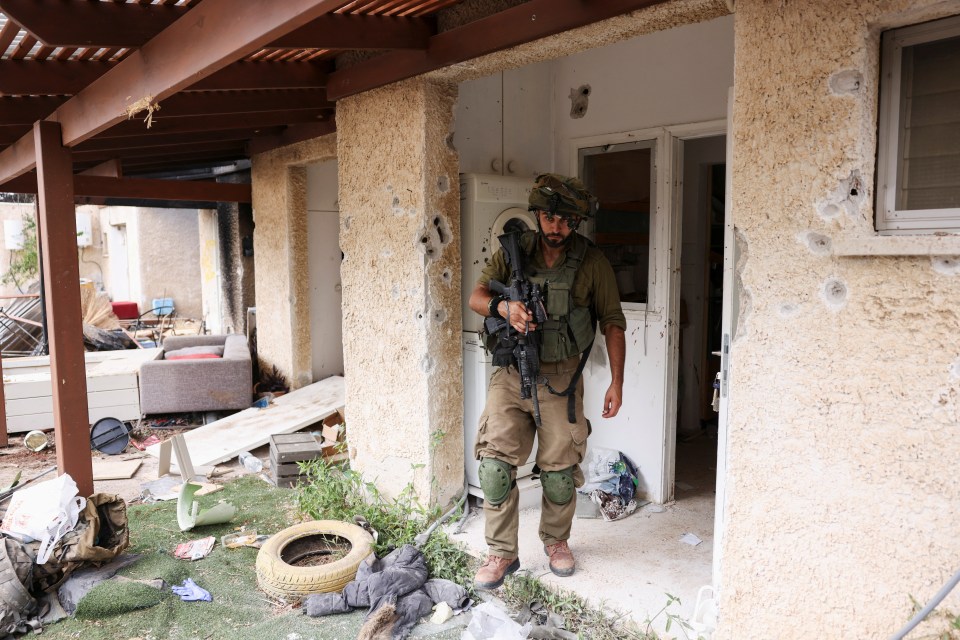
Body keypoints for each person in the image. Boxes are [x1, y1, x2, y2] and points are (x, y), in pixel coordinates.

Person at [468, 173, 626, 590]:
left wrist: (616, 383)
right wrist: (505, 308)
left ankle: (557, 542)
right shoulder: (513, 252)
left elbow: (612, 323)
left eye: (564, 220)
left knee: (559, 472)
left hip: (560, 377)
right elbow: (476, 296)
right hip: (511, 372)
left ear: (575, 222)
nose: (555, 227)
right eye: (548, 217)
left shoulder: (592, 263)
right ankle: (501, 553)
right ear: (538, 215)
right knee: (495, 468)